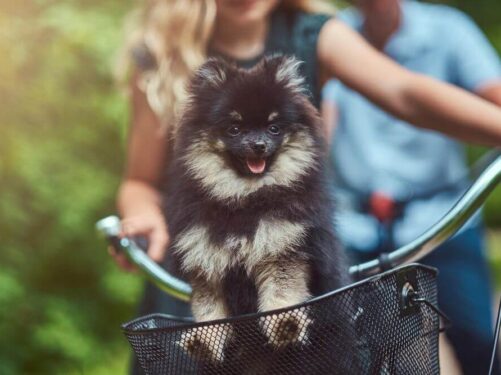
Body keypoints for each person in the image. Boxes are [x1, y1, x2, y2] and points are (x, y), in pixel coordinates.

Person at [110, 0, 501, 373]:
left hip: (298, 277)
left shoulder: (314, 36)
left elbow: (407, 93)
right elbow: (139, 181)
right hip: (197, 284)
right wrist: (142, 215)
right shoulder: (163, 52)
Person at [321, 0, 501, 374]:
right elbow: (322, 125)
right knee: (348, 355)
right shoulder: (334, 36)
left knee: (480, 343)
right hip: (356, 227)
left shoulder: (448, 30)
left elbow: (493, 94)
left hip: (441, 220)